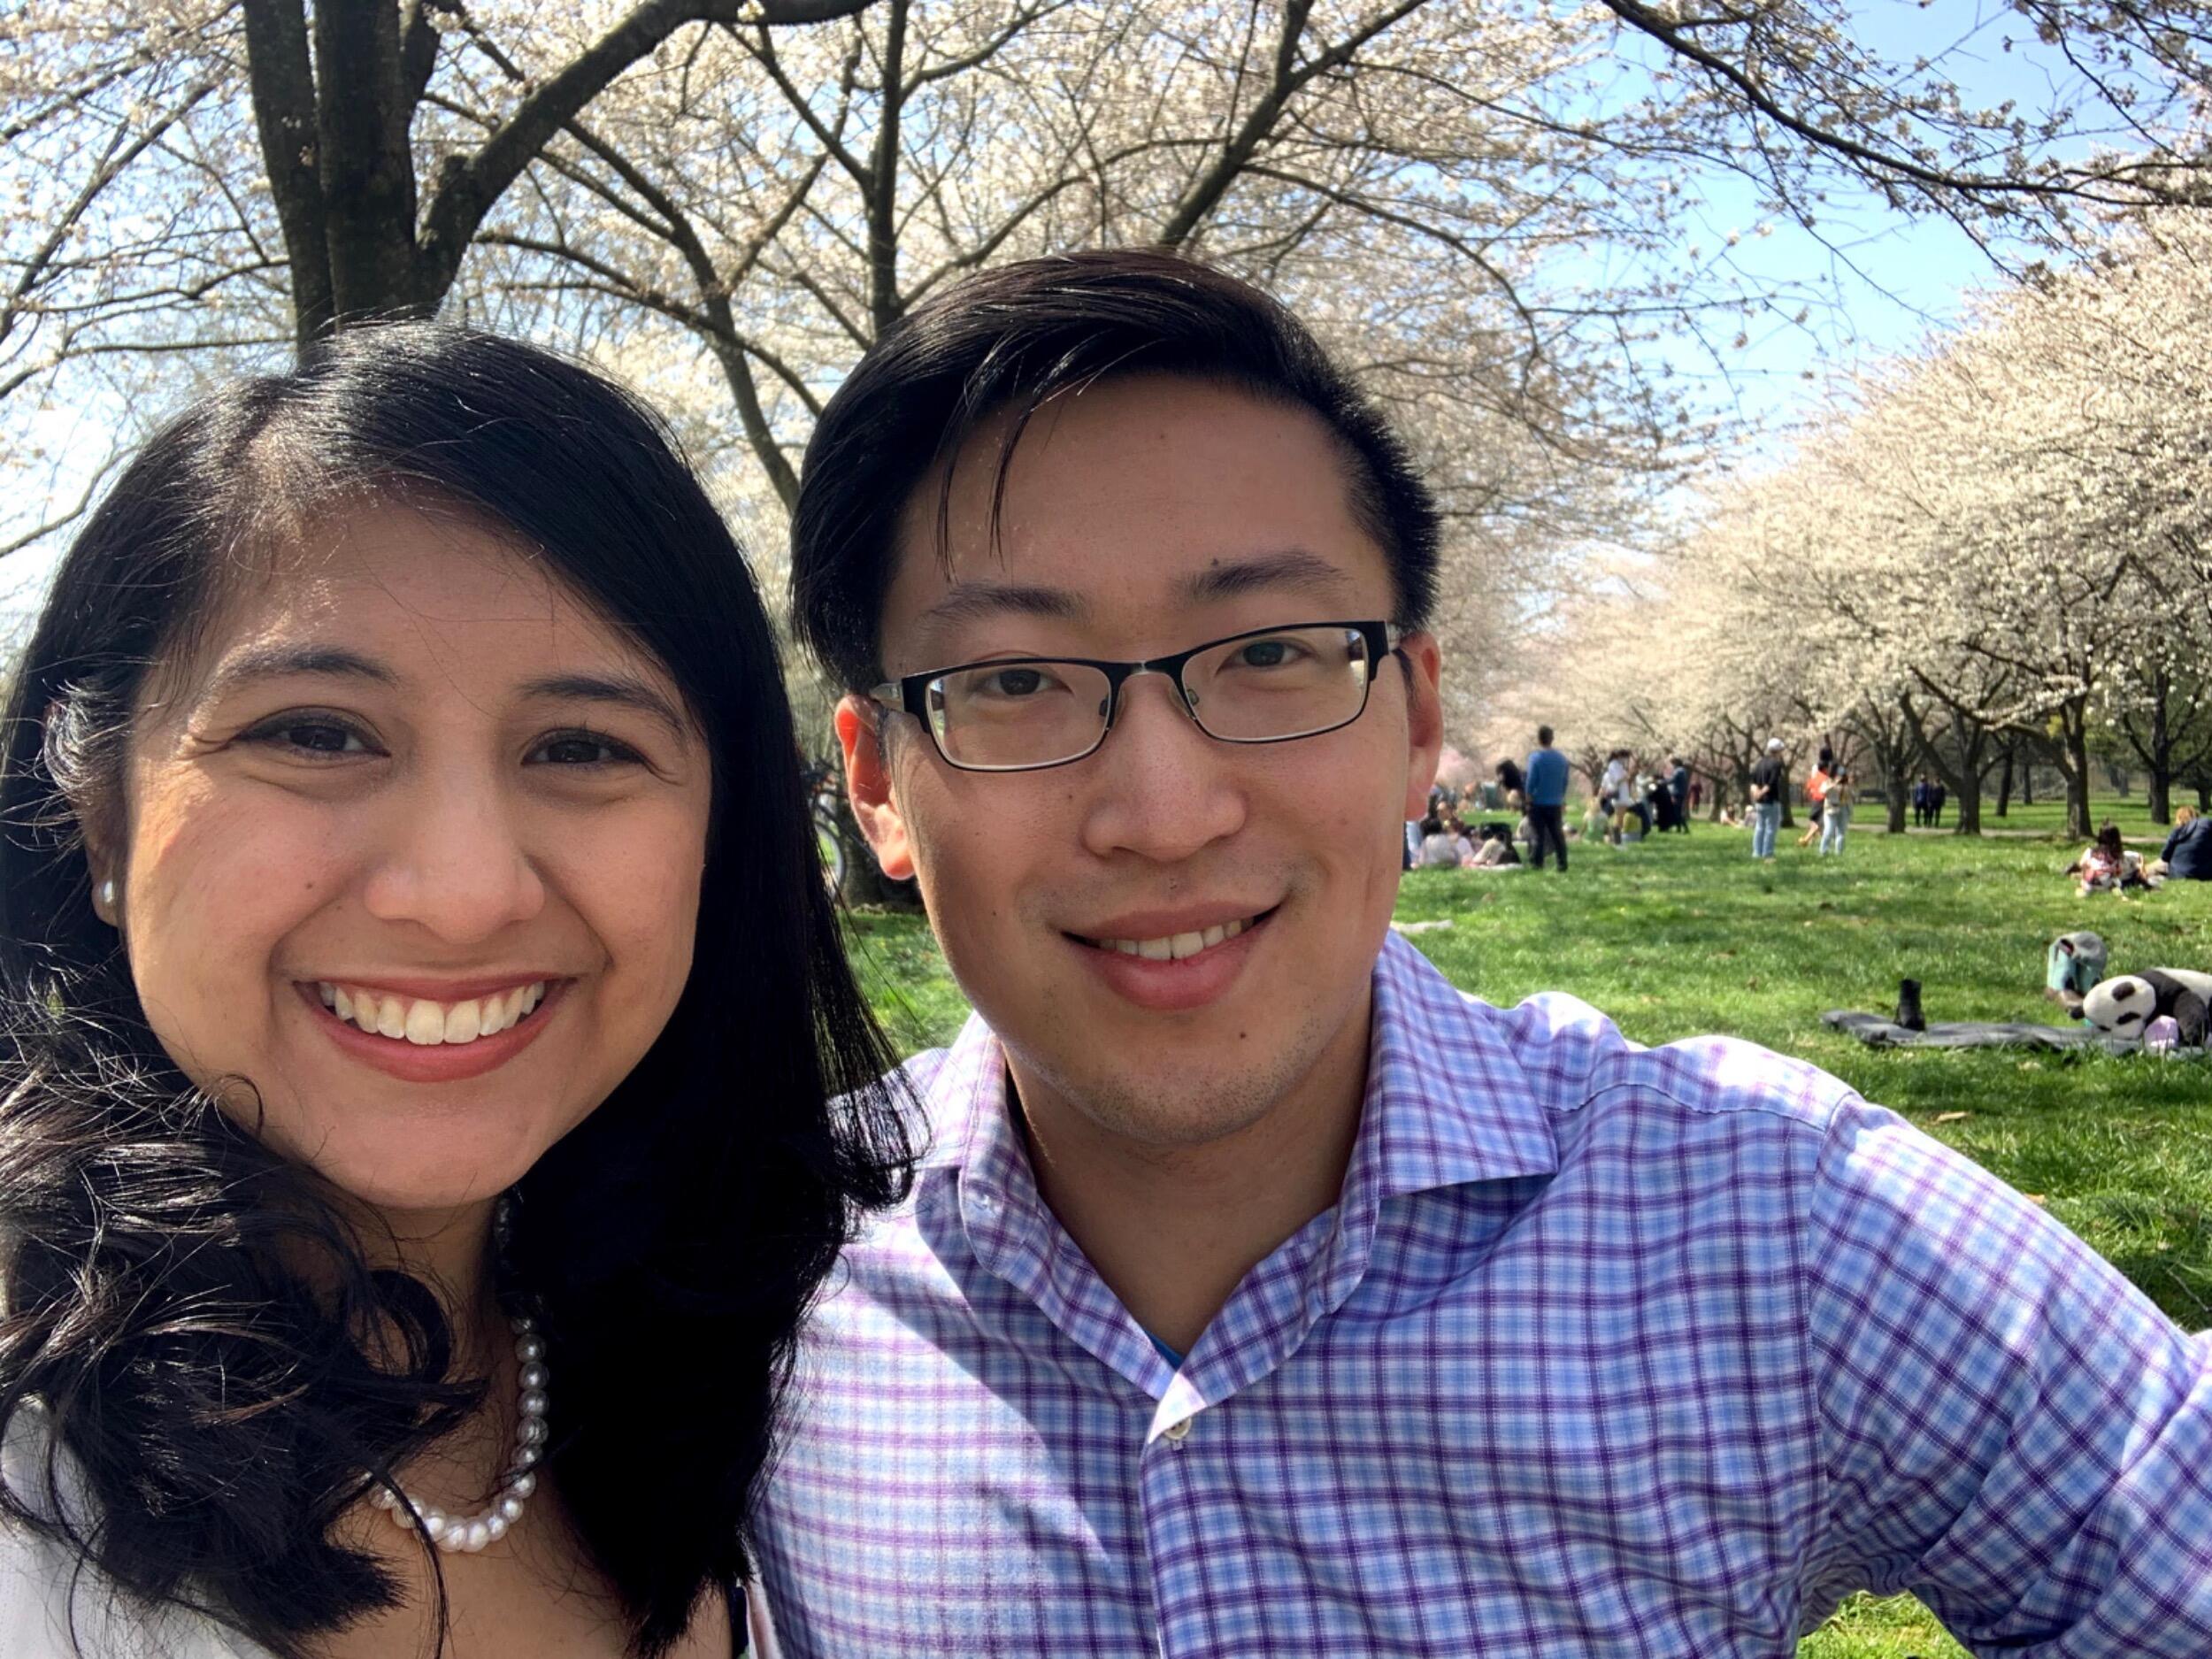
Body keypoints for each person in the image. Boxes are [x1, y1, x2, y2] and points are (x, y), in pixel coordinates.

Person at [754, 248, 2212, 1655]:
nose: (1163, 812)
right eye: (1013, 680)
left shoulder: (1781, 1226)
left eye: (1271, 654)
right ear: (877, 782)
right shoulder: (742, 1289)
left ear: (1421, 722)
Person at [0, 328, 911, 1659]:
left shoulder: (741, 1381)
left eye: (583, 746)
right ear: (96, 818)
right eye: (314, 731)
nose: (462, 890)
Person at [1523, 726, 1571, 872]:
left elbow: (1531, 780)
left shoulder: (1535, 758)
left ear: (1539, 739)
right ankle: (1562, 863)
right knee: (1557, 834)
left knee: (1538, 835)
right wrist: (1560, 796)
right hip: (1555, 802)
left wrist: (1528, 796)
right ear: (1552, 739)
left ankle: (1537, 863)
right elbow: (1565, 781)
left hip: (1538, 802)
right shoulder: (1562, 759)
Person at [1748, 738, 1787, 859]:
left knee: (1759, 827)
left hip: (1759, 802)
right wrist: (1762, 792)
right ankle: (1768, 853)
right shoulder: (1776, 764)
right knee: (1771, 828)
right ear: (1778, 751)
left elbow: (1753, 780)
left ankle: (1756, 852)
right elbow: (1772, 782)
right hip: (1771, 800)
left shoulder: (1760, 763)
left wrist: (1756, 792)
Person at [2154, 804, 2211, 880]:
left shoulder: (2177, 831)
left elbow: (2164, 857)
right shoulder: (2206, 824)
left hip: (2179, 873)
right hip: (2206, 872)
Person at [1797, 747, 1832, 849]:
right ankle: (1811, 841)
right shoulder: (1828, 775)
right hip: (1824, 799)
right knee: (1819, 823)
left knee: (1816, 821)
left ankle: (1809, 840)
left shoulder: (1816, 772)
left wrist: (1809, 795)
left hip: (1816, 798)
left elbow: (1809, 786)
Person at [1817, 767, 1854, 855]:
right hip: (1831, 809)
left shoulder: (1846, 785)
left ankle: (1839, 852)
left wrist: (1849, 784)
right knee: (1829, 830)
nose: (1840, 777)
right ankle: (1823, 851)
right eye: (1838, 775)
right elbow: (1822, 791)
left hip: (1843, 808)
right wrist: (1834, 784)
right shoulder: (1827, 782)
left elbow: (1851, 796)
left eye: (1842, 775)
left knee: (1841, 832)